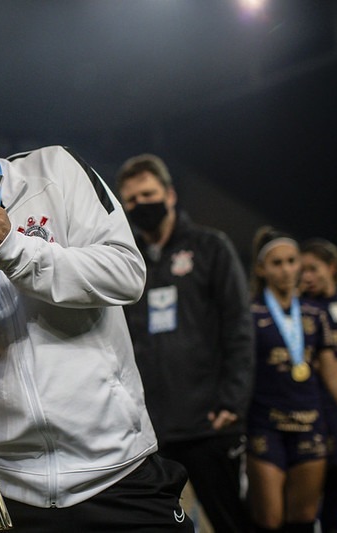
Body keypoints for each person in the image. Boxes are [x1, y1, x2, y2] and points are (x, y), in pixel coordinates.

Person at [0, 48, 194, 532]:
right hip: (4, 492)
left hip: (118, 472)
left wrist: (14, 248)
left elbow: (127, 273)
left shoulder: (55, 173)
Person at [115, 153, 254, 532]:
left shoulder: (211, 247)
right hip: (150, 428)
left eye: (148, 194)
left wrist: (232, 400)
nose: (141, 205)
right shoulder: (126, 260)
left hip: (208, 420)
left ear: (171, 194)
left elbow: (239, 327)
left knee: (230, 521)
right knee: (161, 527)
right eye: (131, 200)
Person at [246, 226, 337, 532]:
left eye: (292, 261)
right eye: (277, 263)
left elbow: (331, 372)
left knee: (303, 520)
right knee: (269, 520)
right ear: (261, 269)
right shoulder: (250, 314)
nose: (287, 270)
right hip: (266, 425)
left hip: (310, 424)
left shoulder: (313, 314)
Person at [299, 238, 337, 533]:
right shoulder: (301, 309)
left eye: (314, 268)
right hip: (324, 414)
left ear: (333, 267)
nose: (306, 276)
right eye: (303, 269)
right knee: (333, 491)